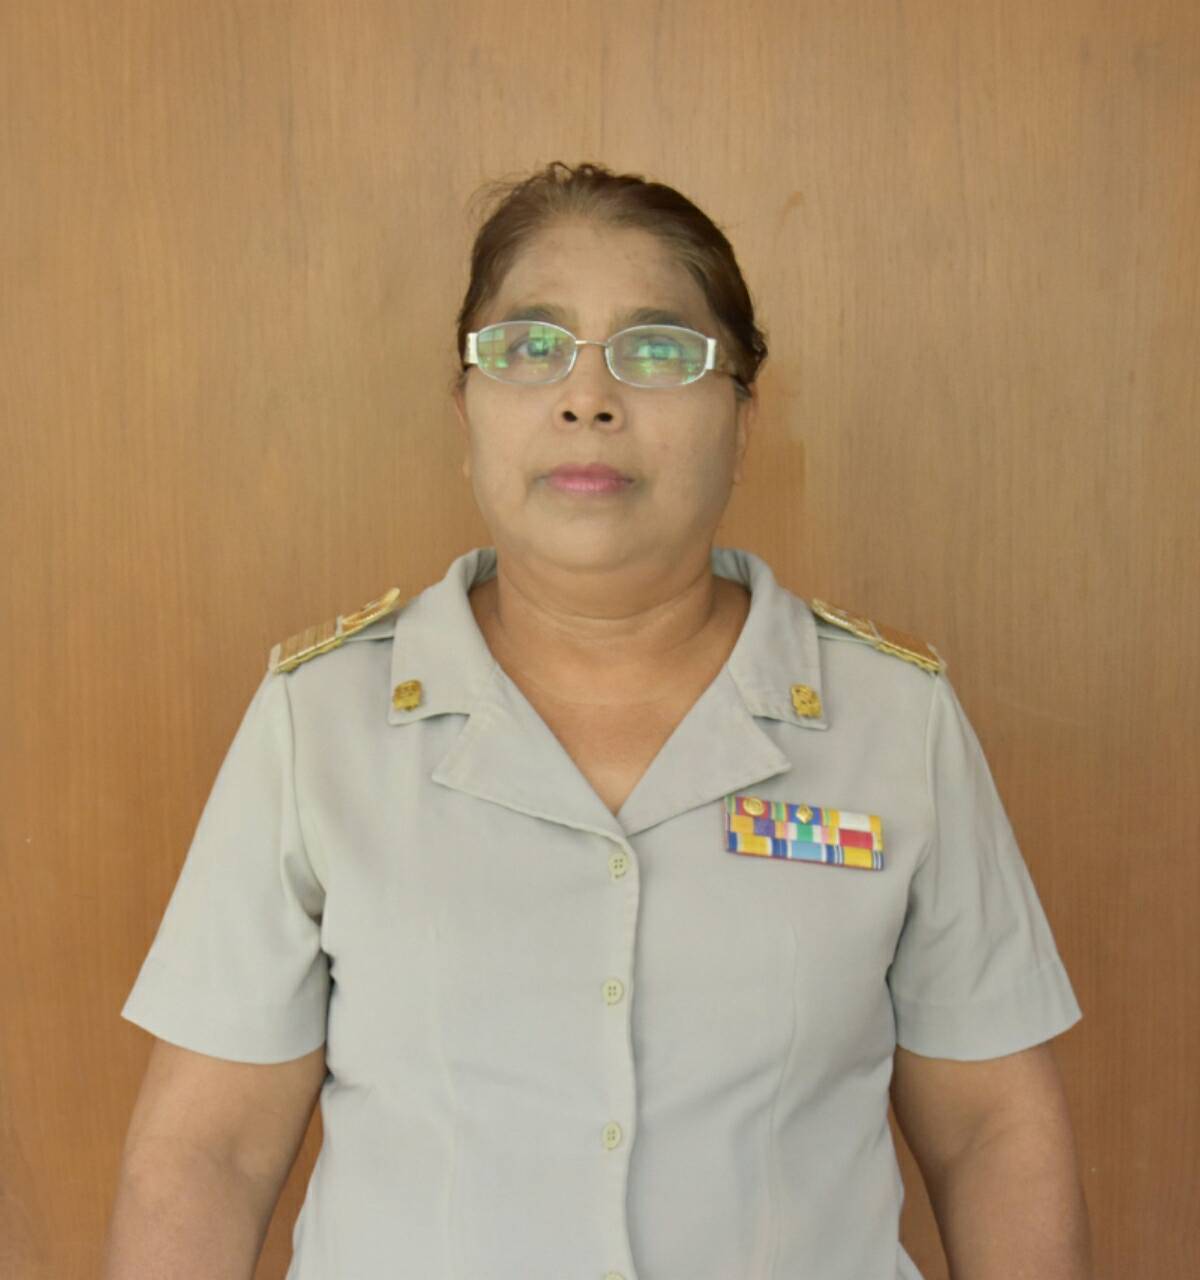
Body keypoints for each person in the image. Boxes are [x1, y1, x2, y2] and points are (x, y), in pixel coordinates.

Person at [105, 161, 1091, 1280]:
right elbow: (209, 1154)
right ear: (466, 409)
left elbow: (990, 1132)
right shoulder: (322, 722)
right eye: (529, 347)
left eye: (657, 350)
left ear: (743, 417)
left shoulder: (890, 721)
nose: (587, 397)